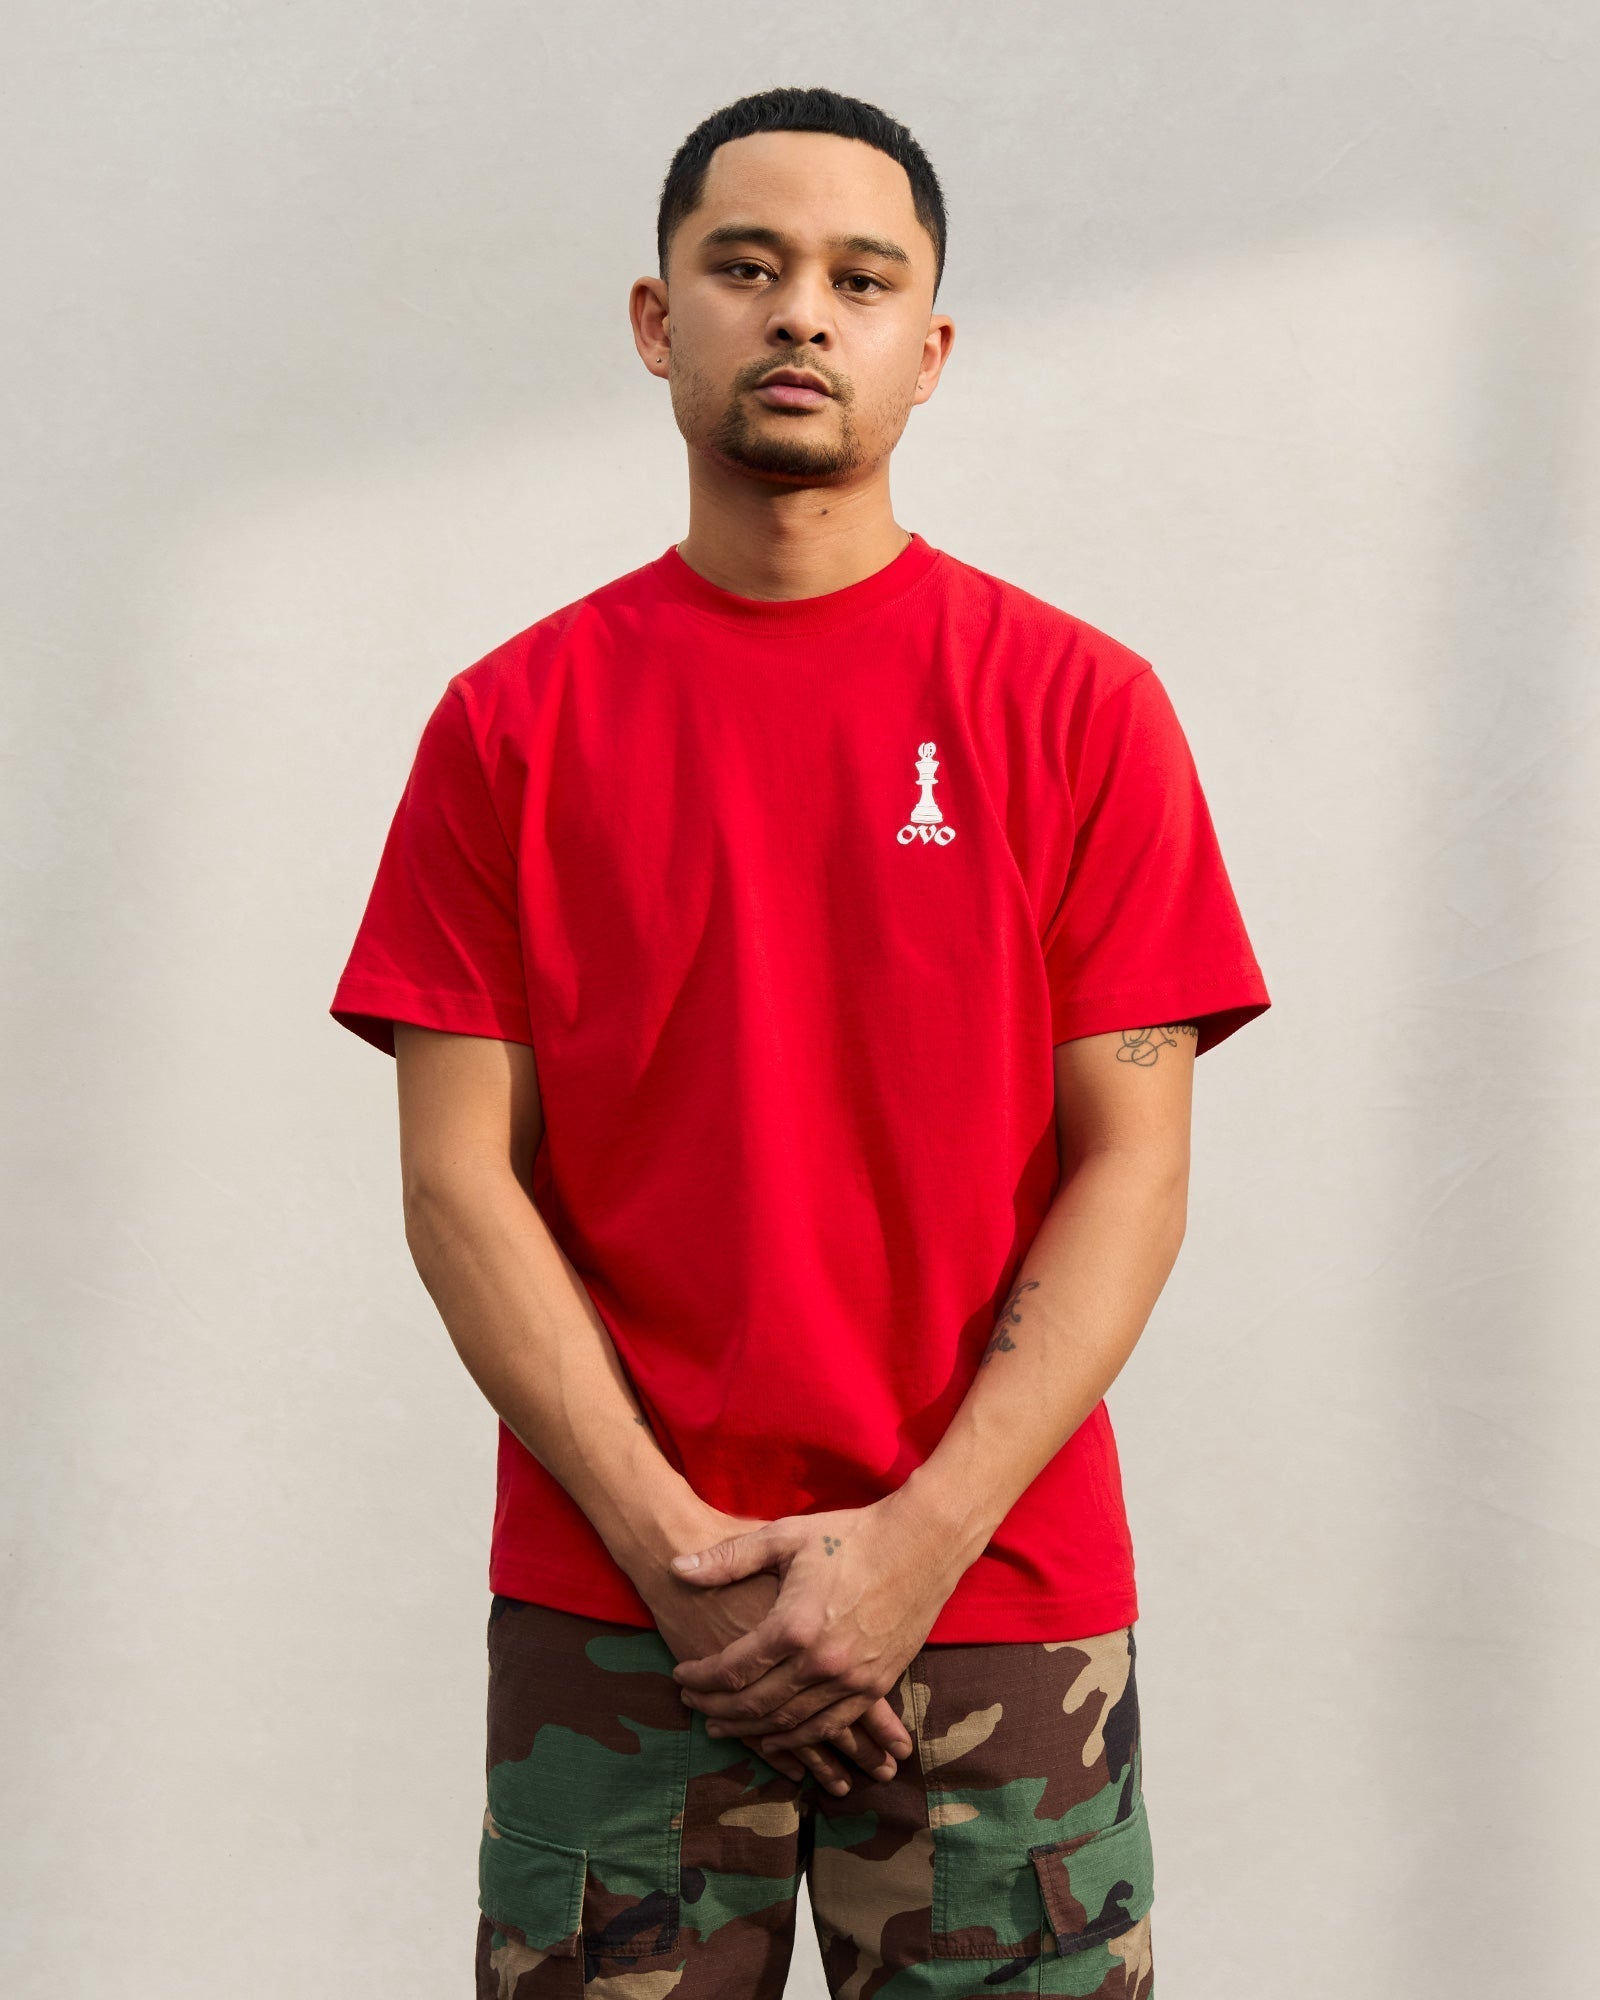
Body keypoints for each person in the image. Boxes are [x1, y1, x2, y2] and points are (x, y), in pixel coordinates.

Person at [330, 84, 1269, 2000]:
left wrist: (918, 1542)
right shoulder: (510, 727)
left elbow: (1137, 1172)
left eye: (861, 278)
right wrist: (672, 1551)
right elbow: (454, 1186)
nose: (801, 315)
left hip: (998, 1608)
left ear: (931, 346)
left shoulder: (1080, 709)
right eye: (745, 267)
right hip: (621, 1617)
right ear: (657, 319)